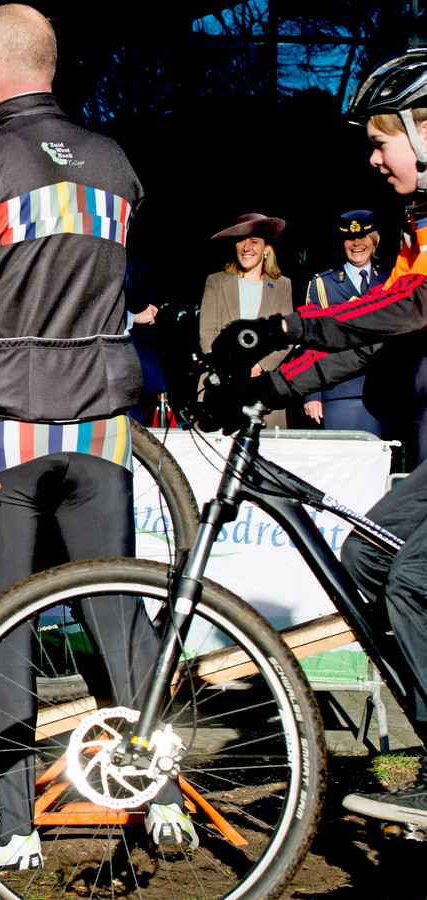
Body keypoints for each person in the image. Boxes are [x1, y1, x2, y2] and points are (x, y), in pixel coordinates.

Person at [0, 4, 189, 867]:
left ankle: (12, 825)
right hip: (105, 422)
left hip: (2, 424)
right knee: (118, 613)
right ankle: (159, 796)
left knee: (2, 623)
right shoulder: (115, 161)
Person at [211, 49, 427, 829]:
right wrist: (273, 384)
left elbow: (409, 310)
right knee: (369, 556)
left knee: (410, 577)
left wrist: (288, 322)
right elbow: (368, 342)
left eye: (382, 137)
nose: (373, 157)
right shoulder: (417, 224)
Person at [199, 213, 293, 429]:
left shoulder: (282, 285)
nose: (246, 247)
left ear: (266, 248)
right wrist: (232, 367)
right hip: (222, 386)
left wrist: (260, 366)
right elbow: (208, 334)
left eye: (254, 241)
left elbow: (286, 337)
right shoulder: (216, 282)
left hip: (265, 387)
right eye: (241, 240)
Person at [300, 210, 386, 435]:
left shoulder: (390, 282)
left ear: (375, 240)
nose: (357, 243)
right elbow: (311, 339)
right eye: (350, 238)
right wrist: (312, 393)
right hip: (338, 393)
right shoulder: (323, 284)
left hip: (385, 395)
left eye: (364, 236)